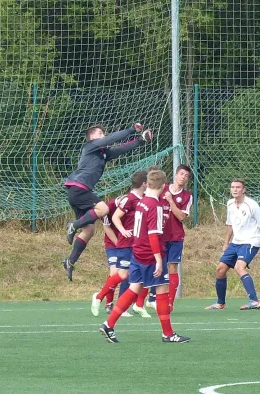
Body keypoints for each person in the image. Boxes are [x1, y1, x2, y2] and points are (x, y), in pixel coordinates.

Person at [100, 170, 191, 343]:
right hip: (150, 254)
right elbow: (153, 235)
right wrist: (158, 259)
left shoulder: (141, 203)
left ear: (147, 185)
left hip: (137, 250)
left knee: (134, 288)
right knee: (162, 288)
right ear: (164, 186)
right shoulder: (154, 206)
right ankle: (168, 333)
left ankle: (108, 324)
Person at [62, 123, 152, 280]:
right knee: (103, 209)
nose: (103, 135)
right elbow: (111, 139)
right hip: (79, 188)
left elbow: (121, 149)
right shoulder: (90, 146)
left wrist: (141, 140)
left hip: (79, 192)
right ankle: (73, 226)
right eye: (100, 133)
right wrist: (132, 129)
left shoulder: (102, 153)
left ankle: (69, 261)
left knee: (89, 231)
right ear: (92, 136)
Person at [205, 178, 260, 311]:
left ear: (243, 190)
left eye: (238, 187)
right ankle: (220, 303)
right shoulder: (230, 204)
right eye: (233, 187)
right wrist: (226, 243)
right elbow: (230, 225)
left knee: (239, 267)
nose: (235, 189)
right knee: (220, 269)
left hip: (250, 242)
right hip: (235, 243)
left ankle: (254, 301)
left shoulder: (252, 205)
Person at [91, 170, 150, 318]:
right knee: (121, 274)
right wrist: (123, 231)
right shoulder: (127, 200)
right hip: (124, 243)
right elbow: (115, 219)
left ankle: (131, 305)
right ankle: (101, 297)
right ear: (144, 184)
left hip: (136, 243)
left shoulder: (143, 199)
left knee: (135, 275)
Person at [160, 164, 193, 311]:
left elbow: (181, 216)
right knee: (155, 267)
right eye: (181, 174)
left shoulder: (187, 196)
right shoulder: (161, 188)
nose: (183, 178)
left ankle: (169, 303)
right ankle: (145, 301)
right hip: (159, 234)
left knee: (172, 267)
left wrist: (171, 201)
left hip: (175, 236)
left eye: (186, 176)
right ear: (176, 174)